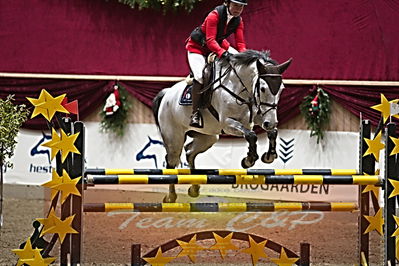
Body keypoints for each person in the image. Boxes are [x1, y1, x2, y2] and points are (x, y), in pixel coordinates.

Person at [185, 0, 248, 128]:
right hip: (198, 49)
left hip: (218, 45)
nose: (238, 9)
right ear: (227, 3)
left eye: (241, 7)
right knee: (199, 76)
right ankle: (195, 113)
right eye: (235, 5)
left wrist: (245, 57)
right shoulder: (214, 15)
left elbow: (241, 44)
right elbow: (210, 41)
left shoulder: (238, 20)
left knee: (240, 64)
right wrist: (223, 53)